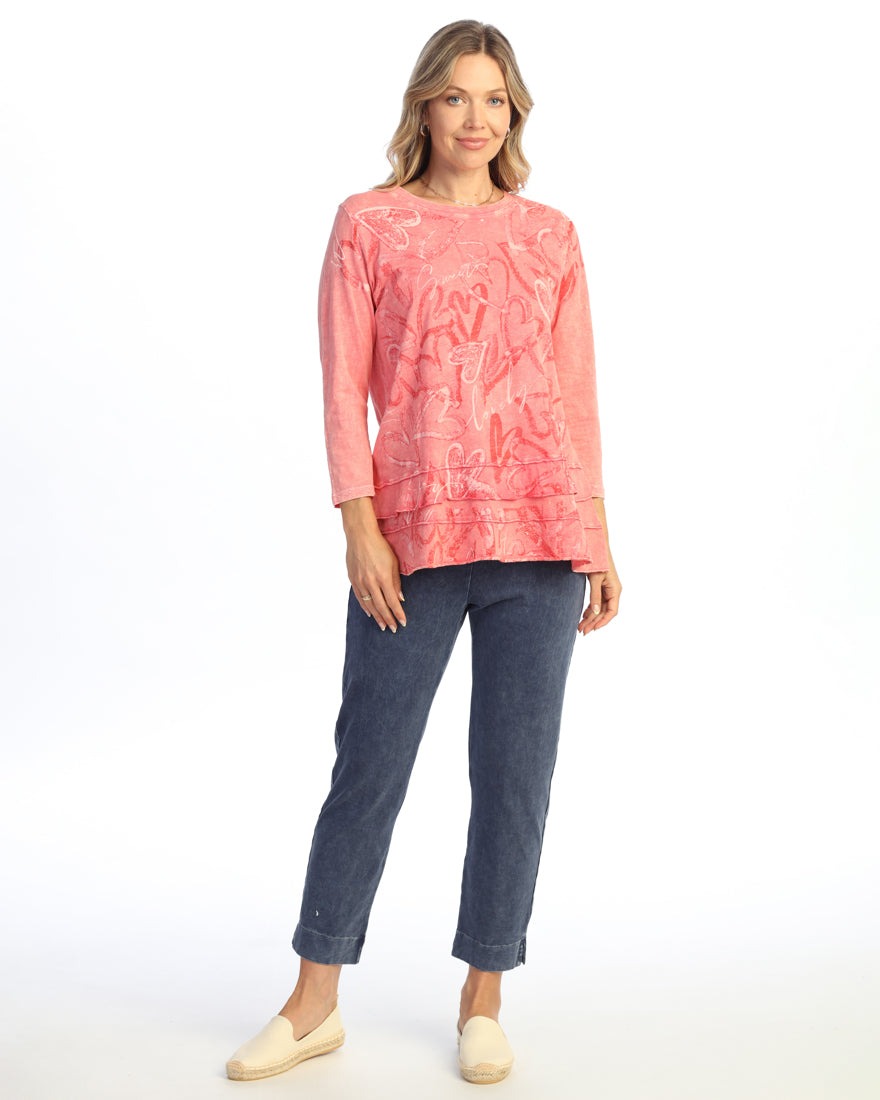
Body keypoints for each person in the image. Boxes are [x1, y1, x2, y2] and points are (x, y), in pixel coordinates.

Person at [226, 19, 622, 1086]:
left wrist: (597, 533)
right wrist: (358, 524)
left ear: (514, 112)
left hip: (541, 539)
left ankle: (483, 996)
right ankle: (313, 1000)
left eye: (494, 98)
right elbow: (340, 386)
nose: (475, 118)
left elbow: (574, 396)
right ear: (423, 108)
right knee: (369, 765)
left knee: (515, 777)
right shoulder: (370, 223)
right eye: (455, 96)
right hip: (414, 539)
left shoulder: (551, 236)